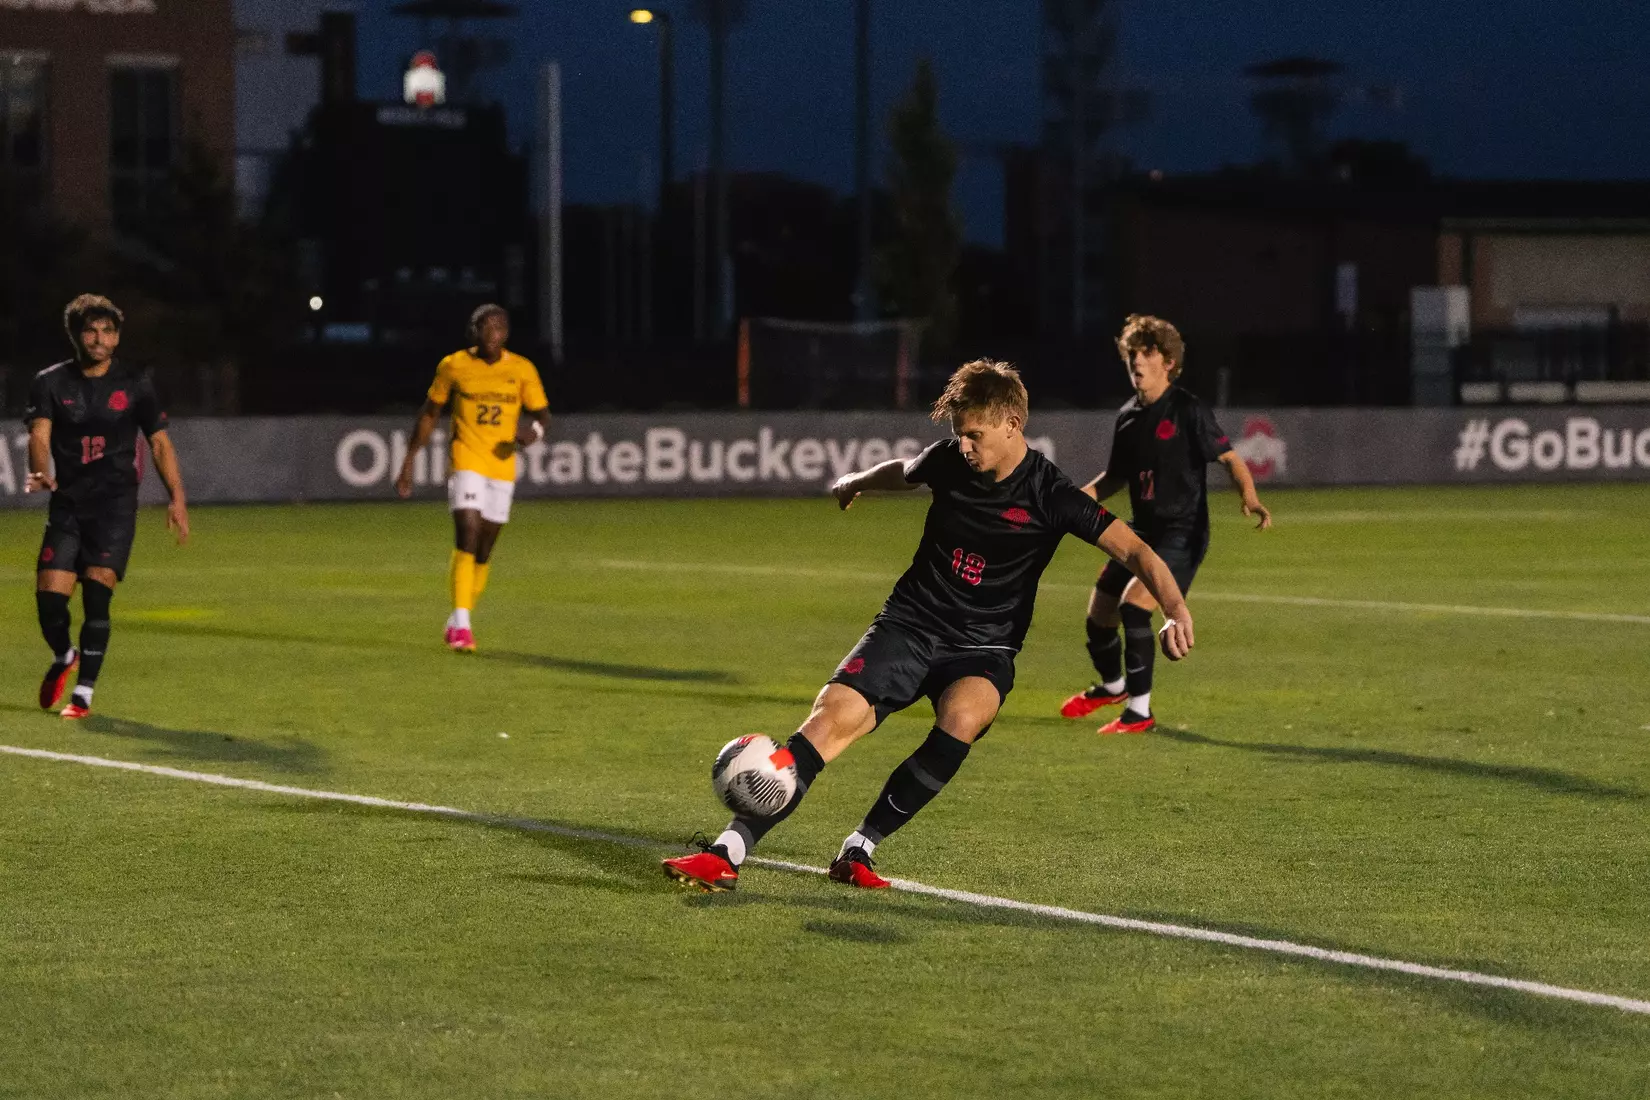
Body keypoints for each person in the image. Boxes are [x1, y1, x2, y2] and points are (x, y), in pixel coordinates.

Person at [663, 360, 1195, 892]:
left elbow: (1136, 551)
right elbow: (904, 471)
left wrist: (1173, 608)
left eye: (974, 435)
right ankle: (726, 853)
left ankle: (859, 848)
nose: (964, 446)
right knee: (832, 718)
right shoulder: (947, 461)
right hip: (911, 623)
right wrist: (857, 481)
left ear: (1013, 423)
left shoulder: (1052, 495)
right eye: (958, 434)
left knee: (965, 714)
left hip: (985, 646)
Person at [1059, 315, 1270, 734]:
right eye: (1132, 353)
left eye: (1147, 352)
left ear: (1169, 361)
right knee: (1098, 614)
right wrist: (1067, 503)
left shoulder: (1188, 409)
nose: (1137, 360)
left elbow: (1229, 457)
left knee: (1133, 610)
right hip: (1141, 532)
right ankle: (1113, 685)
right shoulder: (1127, 418)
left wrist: (1249, 496)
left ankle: (1140, 711)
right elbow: (1114, 478)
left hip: (1182, 534)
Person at [25, 294, 189, 719]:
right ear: (76, 335)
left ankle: (83, 694)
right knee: (49, 603)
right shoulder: (50, 382)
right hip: (68, 504)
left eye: (107, 331)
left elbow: (159, 441)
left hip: (115, 505)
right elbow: (40, 437)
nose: (99, 339)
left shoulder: (136, 383)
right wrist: (40, 471)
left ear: (117, 338)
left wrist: (177, 497)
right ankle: (64, 655)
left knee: (98, 597)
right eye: (91, 330)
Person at [395, 305, 549, 652]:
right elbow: (430, 413)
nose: (493, 334)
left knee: (484, 550)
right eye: (487, 327)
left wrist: (534, 433)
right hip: (466, 459)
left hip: (502, 466)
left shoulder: (522, 369)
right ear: (474, 331)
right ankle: (463, 626)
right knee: (467, 531)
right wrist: (408, 461)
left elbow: (543, 415)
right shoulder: (453, 366)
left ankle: (457, 617)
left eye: (500, 328)